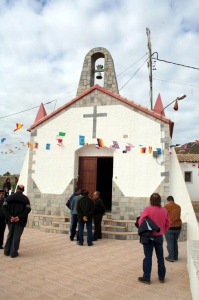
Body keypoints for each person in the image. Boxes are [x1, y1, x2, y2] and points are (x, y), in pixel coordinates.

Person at [138, 193, 170, 284]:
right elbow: (168, 224)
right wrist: (162, 231)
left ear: (151, 200)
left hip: (149, 237)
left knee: (148, 257)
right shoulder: (164, 210)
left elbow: (141, 222)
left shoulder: (147, 209)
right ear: (160, 200)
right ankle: (161, 277)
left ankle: (146, 277)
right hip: (159, 237)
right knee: (160, 257)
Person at [2, 184, 31, 258]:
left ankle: (6, 251)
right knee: (16, 237)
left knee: (10, 235)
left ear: (16, 189)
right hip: (20, 221)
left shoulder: (9, 197)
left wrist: (10, 216)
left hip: (10, 220)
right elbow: (28, 209)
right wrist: (19, 217)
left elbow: (4, 207)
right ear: (23, 190)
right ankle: (13, 253)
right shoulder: (25, 199)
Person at [164, 195, 182, 262]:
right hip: (178, 227)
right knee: (175, 242)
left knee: (170, 242)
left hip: (170, 227)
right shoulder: (178, 206)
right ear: (173, 200)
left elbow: (164, 217)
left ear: (168, 201)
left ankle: (171, 257)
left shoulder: (166, 207)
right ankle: (175, 256)